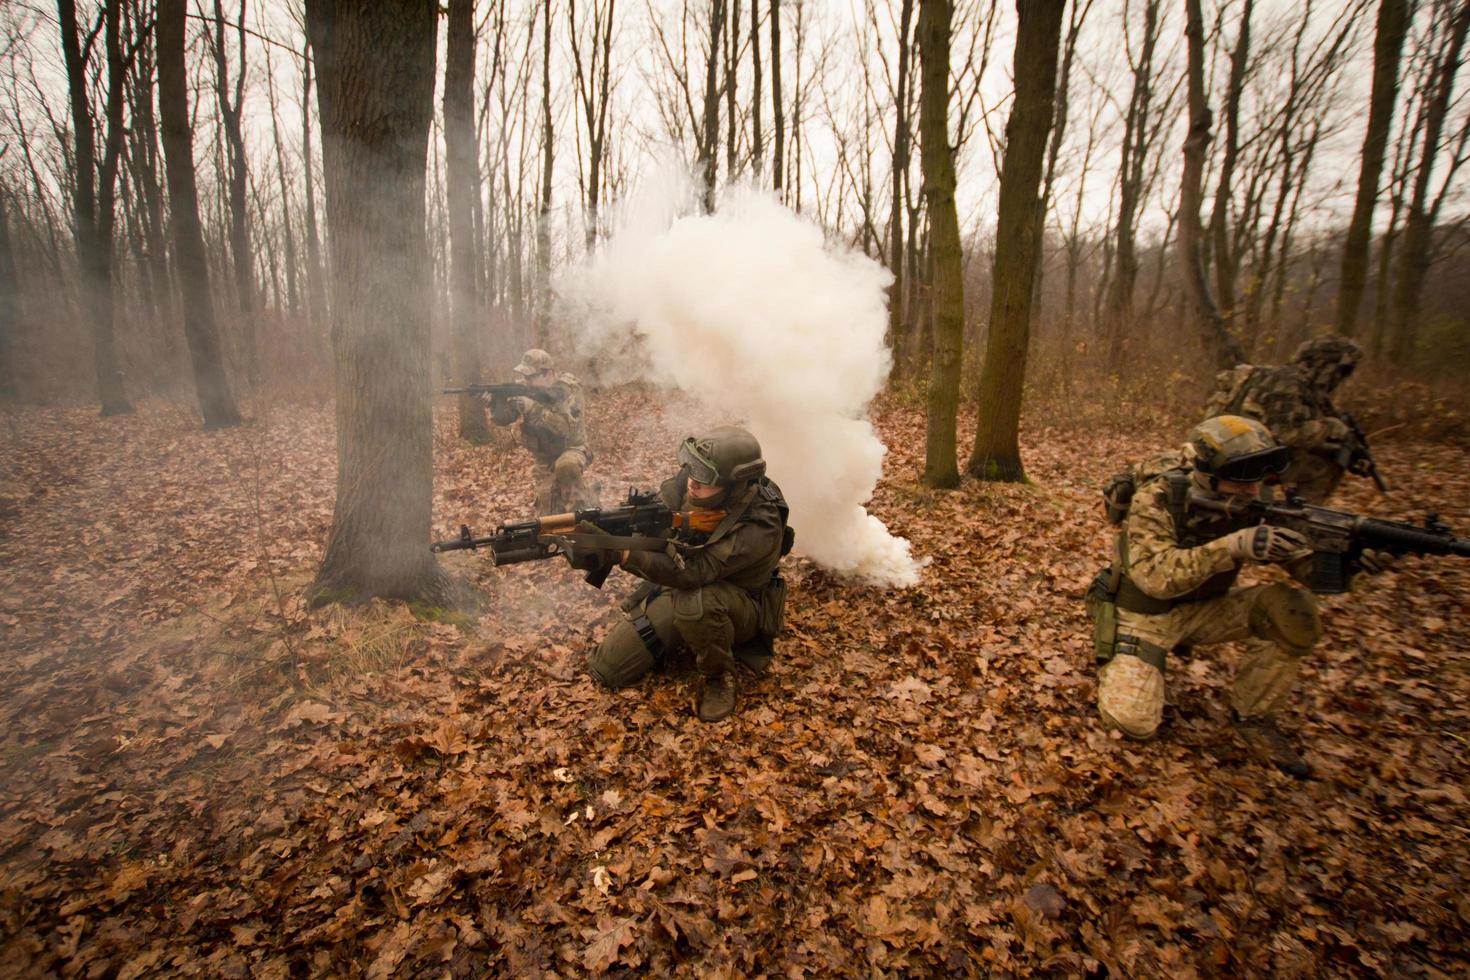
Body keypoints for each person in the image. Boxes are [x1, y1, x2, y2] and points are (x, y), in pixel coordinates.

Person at [1091, 415, 1392, 778]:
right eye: (1240, 481)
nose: (1253, 491)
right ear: (1208, 475)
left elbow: (1307, 570)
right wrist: (1233, 546)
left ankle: (1253, 715)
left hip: (1207, 609)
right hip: (1147, 616)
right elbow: (1155, 577)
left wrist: (1352, 562)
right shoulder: (1158, 499)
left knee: (1292, 611)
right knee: (1132, 724)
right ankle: (1131, 663)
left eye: (1258, 482)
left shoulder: (1257, 501)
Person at [579, 426, 793, 722]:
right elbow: (663, 509)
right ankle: (688, 632)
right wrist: (618, 527)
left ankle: (718, 677)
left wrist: (621, 554)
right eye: (692, 468)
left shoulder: (761, 525)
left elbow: (695, 572)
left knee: (697, 602)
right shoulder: (698, 479)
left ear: (734, 484)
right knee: (608, 669)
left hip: (741, 604)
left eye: (704, 477)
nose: (692, 481)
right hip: (685, 584)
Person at [1203, 334, 1365, 503]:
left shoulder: (1271, 376)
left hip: (1220, 451)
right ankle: (1301, 515)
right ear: (1328, 365)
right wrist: (1330, 428)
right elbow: (1286, 434)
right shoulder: (1290, 382)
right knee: (1327, 465)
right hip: (1237, 460)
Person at [487, 349, 598, 515]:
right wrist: (493, 403)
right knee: (547, 516)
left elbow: (566, 430)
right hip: (544, 459)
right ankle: (588, 499)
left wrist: (533, 408)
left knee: (566, 468)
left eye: (532, 377)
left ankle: (586, 517)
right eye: (526, 377)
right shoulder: (525, 389)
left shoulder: (568, 390)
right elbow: (504, 418)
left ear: (549, 374)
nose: (527, 381)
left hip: (572, 449)